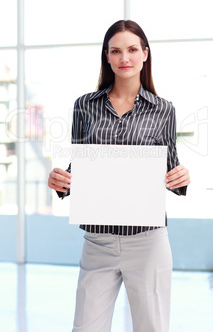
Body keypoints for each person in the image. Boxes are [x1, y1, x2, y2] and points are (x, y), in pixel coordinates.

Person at [48, 20, 190, 332]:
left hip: (148, 241)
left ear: (144, 54)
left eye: (131, 49)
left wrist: (182, 178)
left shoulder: (163, 109)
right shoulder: (84, 105)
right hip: (98, 241)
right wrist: (60, 182)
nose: (124, 57)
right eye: (116, 51)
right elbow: (79, 168)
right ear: (107, 57)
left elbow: (170, 168)